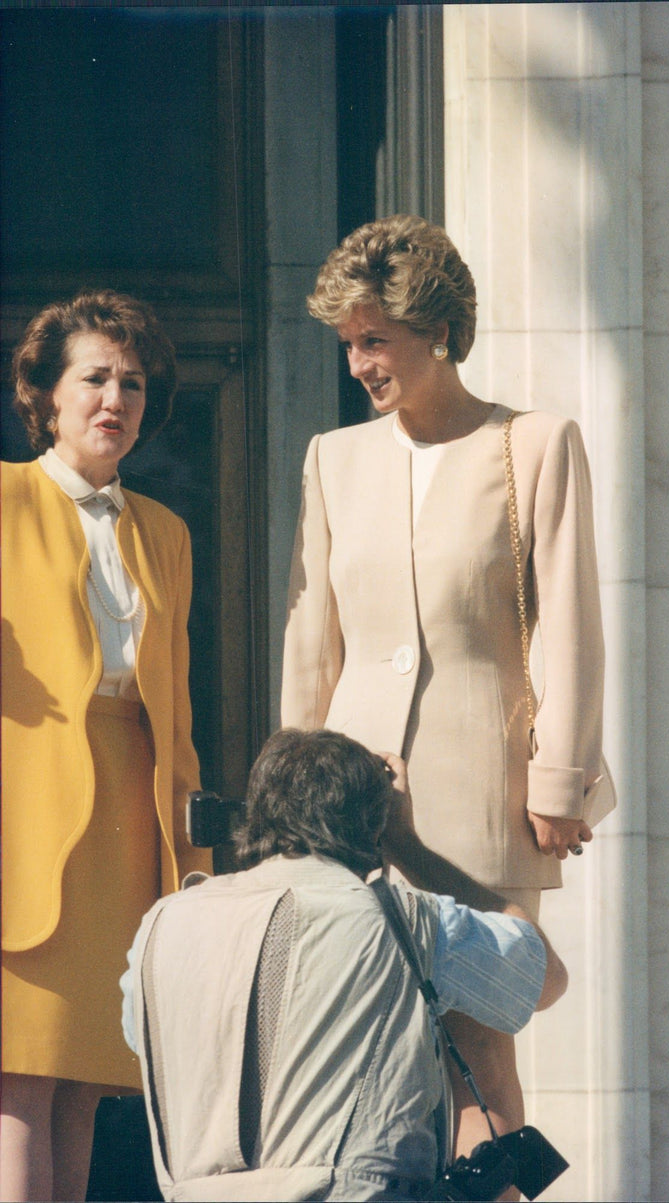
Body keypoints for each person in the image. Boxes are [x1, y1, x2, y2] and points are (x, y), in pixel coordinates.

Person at [281, 214, 615, 1156]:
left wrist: (557, 783)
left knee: (479, 1048)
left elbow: (577, 632)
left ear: (436, 330)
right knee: (360, 1047)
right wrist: (291, 803)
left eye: (373, 339)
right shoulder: (331, 459)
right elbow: (314, 645)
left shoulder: (536, 444)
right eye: (348, 344)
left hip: (486, 798)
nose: (357, 364)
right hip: (351, 804)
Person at [121, 727, 567, 1202]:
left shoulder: (164, 922)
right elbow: (543, 979)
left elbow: (138, 1037)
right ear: (374, 826)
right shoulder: (403, 921)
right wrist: (407, 845)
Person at [1, 291, 212, 1203]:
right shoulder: (4, 499)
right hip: (23, 815)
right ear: (47, 394)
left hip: (130, 818)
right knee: (19, 1079)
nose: (112, 399)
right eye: (93, 378)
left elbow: (177, 710)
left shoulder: (165, 532)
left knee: (87, 1082)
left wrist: (192, 862)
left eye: (131, 382)